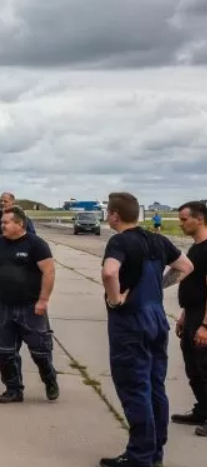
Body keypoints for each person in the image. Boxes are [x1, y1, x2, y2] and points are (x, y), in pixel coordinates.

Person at [99, 192, 193, 467]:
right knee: (154, 386)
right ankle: (154, 452)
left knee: (134, 387)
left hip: (130, 322)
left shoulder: (119, 241)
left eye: (108, 211)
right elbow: (185, 266)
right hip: (156, 317)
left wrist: (115, 299)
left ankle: (139, 456)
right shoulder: (157, 239)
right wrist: (158, 286)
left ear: (115, 215)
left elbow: (109, 272)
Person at [0, 205, 59, 404]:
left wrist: (43, 300)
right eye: (1, 222)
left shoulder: (36, 244)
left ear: (20, 223)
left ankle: (50, 379)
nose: (1, 225)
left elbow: (49, 272)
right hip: (6, 307)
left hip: (31, 308)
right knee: (5, 352)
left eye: (6, 222)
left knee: (40, 351)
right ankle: (13, 389)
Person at [172, 200, 207, 437]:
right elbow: (193, 286)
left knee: (204, 367)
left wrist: (205, 325)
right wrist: (184, 315)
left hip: (204, 318)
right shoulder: (195, 248)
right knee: (193, 367)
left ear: (200, 219)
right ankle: (202, 410)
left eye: (185, 219)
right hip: (193, 313)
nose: (181, 224)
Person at [0, 191, 35, 264]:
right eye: (1, 201)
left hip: (14, 257)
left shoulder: (23, 219)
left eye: (5, 201)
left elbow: (32, 237)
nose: (2, 203)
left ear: (13, 203)